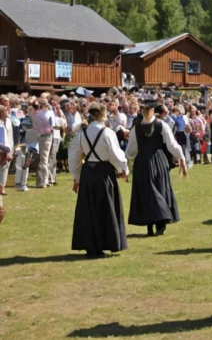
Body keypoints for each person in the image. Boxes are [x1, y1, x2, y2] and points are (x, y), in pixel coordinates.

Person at [68, 102, 130, 259]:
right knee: (105, 209)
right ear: (103, 114)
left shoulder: (82, 133)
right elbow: (115, 154)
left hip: (88, 173)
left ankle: (91, 246)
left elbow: (74, 157)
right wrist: (123, 169)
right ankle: (103, 244)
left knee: (89, 211)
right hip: (103, 172)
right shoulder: (107, 132)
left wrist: (77, 177)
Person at [126, 102, 188, 237]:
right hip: (152, 161)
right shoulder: (153, 126)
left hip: (148, 162)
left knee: (152, 191)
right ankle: (155, 225)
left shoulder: (156, 126)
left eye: (147, 109)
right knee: (154, 191)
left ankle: (156, 225)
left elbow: (131, 150)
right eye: (145, 109)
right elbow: (172, 145)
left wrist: (181, 158)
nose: (146, 112)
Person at [34, 99, 55, 188]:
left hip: (42, 136)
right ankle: (43, 181)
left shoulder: (38, 114)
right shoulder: (49, 113)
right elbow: (52, 125)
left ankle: (43, 181)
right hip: (47, 136)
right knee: (44, 159)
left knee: (44, 159)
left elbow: (36, 127)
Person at [0, 106, 12, 196]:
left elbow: (6, 139)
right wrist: (6, 150)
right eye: (4, 111)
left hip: (4, 150)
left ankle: (2, 187)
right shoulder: (0, 125)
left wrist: (8, 150)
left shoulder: (5, 123)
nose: (7, 112)